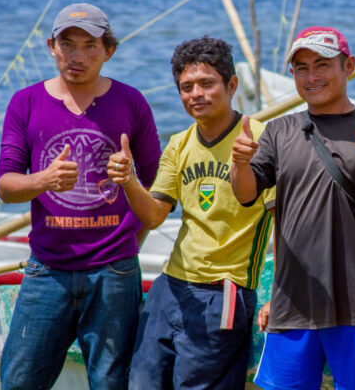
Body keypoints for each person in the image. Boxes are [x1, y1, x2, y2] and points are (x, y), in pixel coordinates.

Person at [231, 26, 355, 390]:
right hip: (290, 308)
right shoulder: (279, 132)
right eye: (301, 68)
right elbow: (246, 193)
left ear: (349, 66)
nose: (311, 77)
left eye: (322, 64)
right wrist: (240, 163)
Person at [0, 3, 161, 390]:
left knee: (110, 383)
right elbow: (6, 187)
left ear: (110, 51)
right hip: (47, 270)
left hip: (114, 273)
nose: (77, 56)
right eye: (68, 44)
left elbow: (159, 191)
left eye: (90, 45)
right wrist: (45, 179)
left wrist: (129, 183)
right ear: (51, 46)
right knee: (19, 381)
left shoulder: (131, 102)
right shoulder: (26, 102)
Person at [107, 36, 275, 389]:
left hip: (224, 292)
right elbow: (153, 216)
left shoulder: (261, 140)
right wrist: (129, 181)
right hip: (170, 286)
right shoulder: (179, 143)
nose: (195, 94)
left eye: (206, 83)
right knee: (141, 384)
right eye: (186, 87)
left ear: (231, 85)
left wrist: (280, 296)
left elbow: (288, 225)